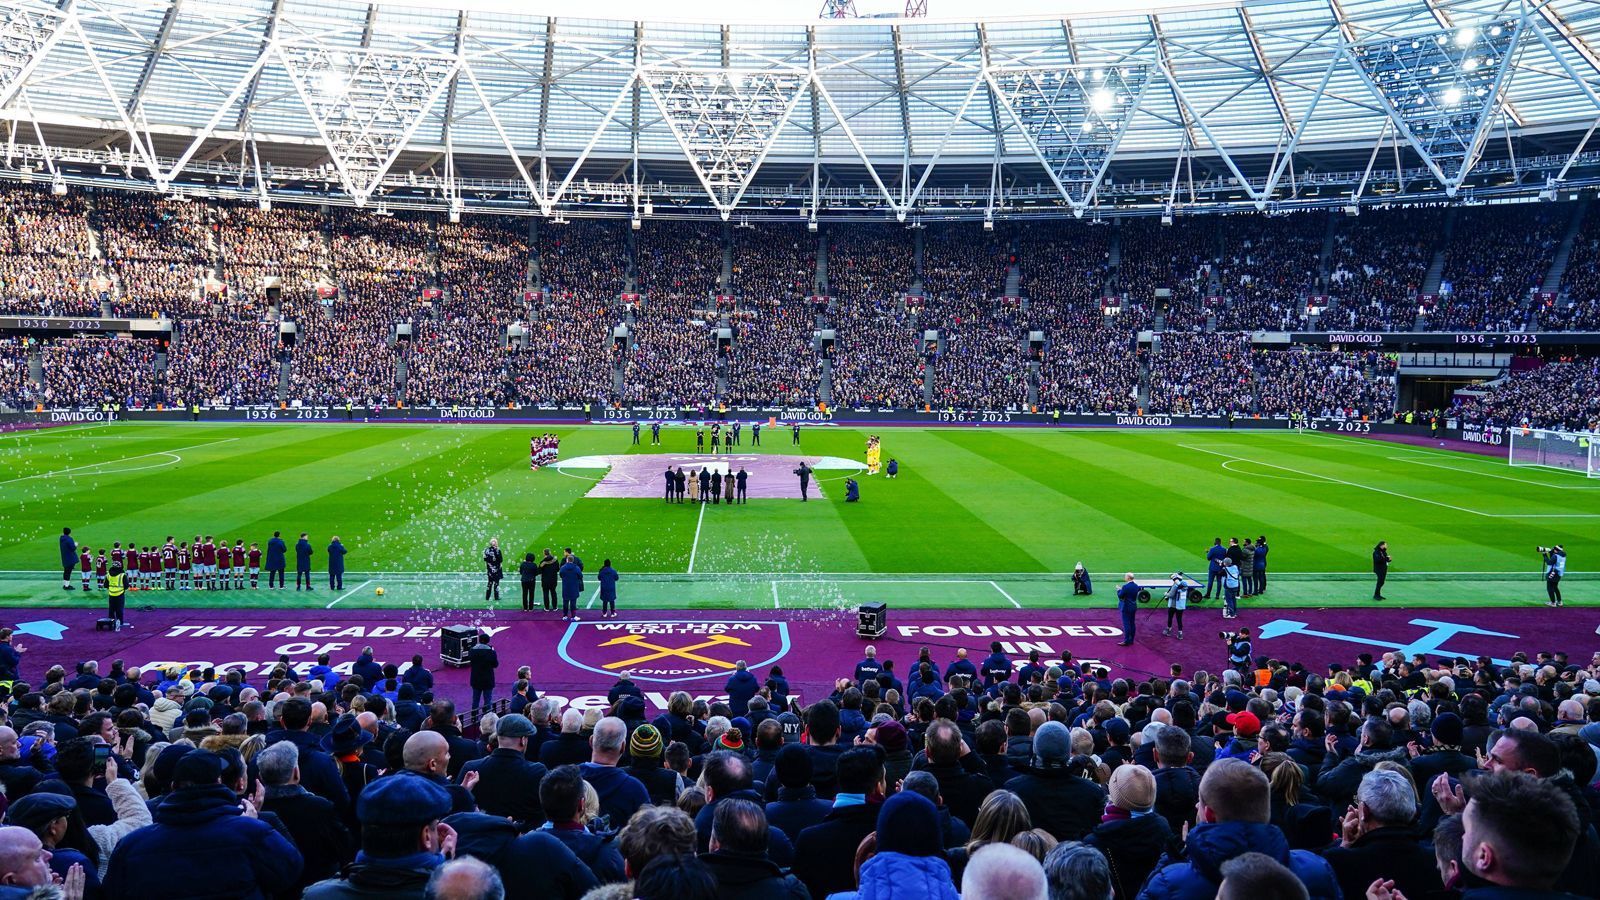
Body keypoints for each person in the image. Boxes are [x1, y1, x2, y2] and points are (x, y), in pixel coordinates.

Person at [104, 749, 304, 899]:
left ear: (174, 787)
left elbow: (112, 893)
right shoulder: (252, 831)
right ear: (218, 782)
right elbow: (290, 872)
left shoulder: (132, 845)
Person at [1138, 758, 1339, 900]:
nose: (1197, 807)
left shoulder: (1168, 883)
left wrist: (1176, 855)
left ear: (1209, 814)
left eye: (1200, 802)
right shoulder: (1318, 869)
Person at [302, 769, 455, 899]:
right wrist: (444, 864)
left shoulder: (316, 895)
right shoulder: (455, 895)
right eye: (434, 827)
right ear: (426, 836)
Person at [1319, 768, 1442, 900]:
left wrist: (1344, 846)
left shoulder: (1337, 860)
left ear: (1364, 811)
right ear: (1412, 810)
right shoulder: (1437, 859)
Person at [468, 633, 498, 712]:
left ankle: (474, 717)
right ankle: (487, 718)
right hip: (488, 680)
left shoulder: (472, 651)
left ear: (479, 640)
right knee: (488, 700)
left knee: (475, 700)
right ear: (488, 641)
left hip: (476, 679)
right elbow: (495, 665)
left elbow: (470, 662)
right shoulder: (491, 652)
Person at [1115, 573, 1138, 646]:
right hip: (1133, 606)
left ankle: (1126, 640)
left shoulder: (1125, 587)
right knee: (1132, 623)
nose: (1124, 577)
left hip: (1126, 607)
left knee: (1126, 624)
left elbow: (1120, 595)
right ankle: (1131, 640)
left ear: (1128, 578)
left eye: (1125, 576)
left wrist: (1118, 590)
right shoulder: (1136, 586)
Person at [559, 554, 583, 622]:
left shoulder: (563, 567)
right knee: (573, 603)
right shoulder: (576, 568)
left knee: (565, 602)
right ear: (573, 560)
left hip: (566, 587)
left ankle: (565, 616)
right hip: (574, 587)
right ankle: (573, 616)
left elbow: (561, 575)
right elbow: (580, 576)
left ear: (567, 560)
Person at [105, 562, 128, 631]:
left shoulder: (108, 574)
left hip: (111, 594)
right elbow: (126, 585)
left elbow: (105, 585)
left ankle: (111, 622)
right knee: (119, 609)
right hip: (120, 594)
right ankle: (120, 622)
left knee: (111, 609)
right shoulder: (122, 575)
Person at [1164, 572, 1187, 639]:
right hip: (1180, 606)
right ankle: (1180, 633)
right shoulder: (1185, 584)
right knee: (1179, 619)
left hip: (1173, 605)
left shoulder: (1175, 586)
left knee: (1170, 617)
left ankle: (1168, 630)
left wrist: (1166, 594)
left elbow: (1171, 595)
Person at [482, 538, 503, 604]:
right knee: (496, 583)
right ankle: (496, 597)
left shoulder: (486, 550)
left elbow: (485, 559)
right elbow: (501, 560)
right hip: (497, 569)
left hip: (490, 569)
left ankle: (487, 597)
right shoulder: (498, 550)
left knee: (489, 583)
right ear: (496, 543)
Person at [59, 527, 77, 591]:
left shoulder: (61, 538)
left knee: (66, 572)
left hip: (65, 558)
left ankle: (65, 584)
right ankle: (67, 586)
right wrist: (75, 545)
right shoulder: (69, 539)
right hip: (70, 558)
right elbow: (73, 548)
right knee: (68, 572)